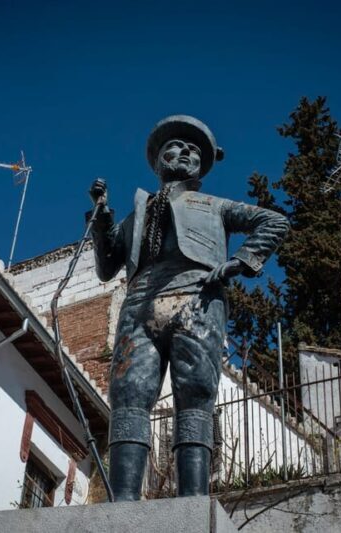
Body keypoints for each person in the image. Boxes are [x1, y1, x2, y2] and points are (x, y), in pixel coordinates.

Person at [86, 115, 289, 500]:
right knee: (129, 394)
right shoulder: (138, 211)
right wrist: (101, 220)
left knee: (194, 394)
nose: (183, 152)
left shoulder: (214, 205)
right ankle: (123, 498)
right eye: (174, 147)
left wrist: (242, 261)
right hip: (140, 302)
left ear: (201, 167)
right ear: (159, 160)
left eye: (193, 150)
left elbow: (273, 221)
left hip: (196, 295)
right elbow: (106, 267)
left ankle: (192, 500)